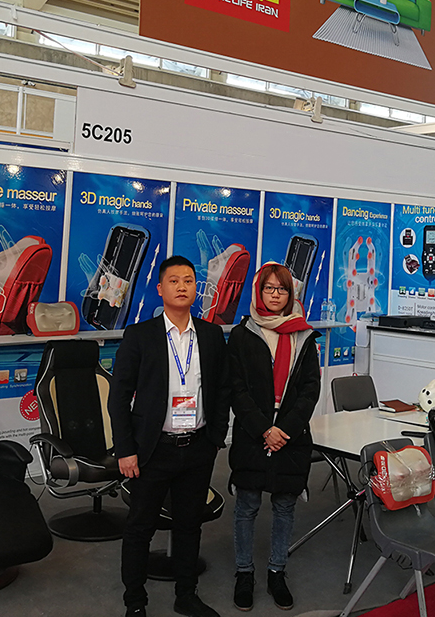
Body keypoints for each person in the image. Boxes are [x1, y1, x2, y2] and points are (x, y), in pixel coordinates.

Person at [108, 255, 231, 617]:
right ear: (160, 289)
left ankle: (186, 595)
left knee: (189, 526)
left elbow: (222, 389)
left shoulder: (210, 335)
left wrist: (216, 437)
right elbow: (119, 396)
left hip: (197, 447)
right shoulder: (140, 335)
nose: (182, 287)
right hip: (152, 450)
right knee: (139, 528)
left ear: (196, 289)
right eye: (174, 281)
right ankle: (135, 603)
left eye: (189, 281)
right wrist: (125, 449)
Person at [227, 263, 321, 611]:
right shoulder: (243, 334)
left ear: (290, 294)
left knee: (284, 506)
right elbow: (236, 387)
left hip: (291, 435)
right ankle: (244, 573)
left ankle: (277, 571)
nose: (276, 294)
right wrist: (263, 429)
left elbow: (310, 388)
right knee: (247, 505)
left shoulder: (304, 335)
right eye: (269, 288)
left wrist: (285, 429)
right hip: (253, 433)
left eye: (282, 289)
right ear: (259, 292)